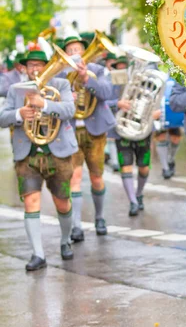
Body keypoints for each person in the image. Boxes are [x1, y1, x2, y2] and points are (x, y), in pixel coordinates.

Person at [0, 50, 77, 271]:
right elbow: (2, 117)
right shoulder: (16, 90)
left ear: (47, 66)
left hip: (58, 152)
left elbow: (69, 110)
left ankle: (65, 239)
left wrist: (44, 105)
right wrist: (19, 114)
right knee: (30, 201)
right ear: (24, 68)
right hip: (27, 154)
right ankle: (38, 254)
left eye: (39, 64)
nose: (35, 68)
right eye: (30, 65)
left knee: (62, 202)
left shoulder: (60, 85)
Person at [63, 35, 115, 241]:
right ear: (65, 55)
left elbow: (107, 92)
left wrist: (86, 79)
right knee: (74, 177)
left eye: (78, 49)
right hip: (72, 130)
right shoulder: (61, 75)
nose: (75, 54)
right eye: (71, 51)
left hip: (95, 131)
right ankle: (76, 225)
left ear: (85, 52)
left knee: (96, 176)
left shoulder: (99, 70)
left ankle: (100, 217)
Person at [110, 56, 155, 215]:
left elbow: (154, 99)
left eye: (124, 65)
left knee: (143, 167)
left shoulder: (146, 79)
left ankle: (139, 193)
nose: (122, 68)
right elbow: (103, 101)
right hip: (122, 128)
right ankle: (133, 201)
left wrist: (155, 112)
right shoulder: (113, 79)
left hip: (142, 127)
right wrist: (117, 103)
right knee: (126, 166)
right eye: (119, 66)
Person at [153, 76, 183, 179]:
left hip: (174, 107)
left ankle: (170, 159)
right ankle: (165, 168)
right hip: (158, 107)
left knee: (175, 138)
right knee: (161, 137)